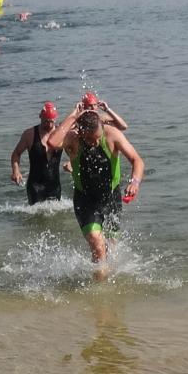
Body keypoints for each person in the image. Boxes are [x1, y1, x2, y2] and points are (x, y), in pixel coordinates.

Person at [48, 105, 144, 275]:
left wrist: (134, 182)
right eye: (92, 139)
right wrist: (73, 116)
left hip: (111, 197)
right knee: (97, 245)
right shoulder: (73, 138)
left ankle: (102, 282)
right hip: (85, 199)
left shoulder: (112, 134)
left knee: (111, 248)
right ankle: (100, 284)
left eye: (99, 137)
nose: (97, 142)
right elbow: (52, 142)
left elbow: (137, 160)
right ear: (81, 133)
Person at [10, 101, 64, 205]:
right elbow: (16, 154)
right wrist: (16, 171)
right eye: (46, 121)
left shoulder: (61, 133)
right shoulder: (29, 134)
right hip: (35, 186)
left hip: (54, 185)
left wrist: (71, 162)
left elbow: (73, 149)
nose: (49, 125)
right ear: (40, 117)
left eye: (51, 121)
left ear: (55, 119)